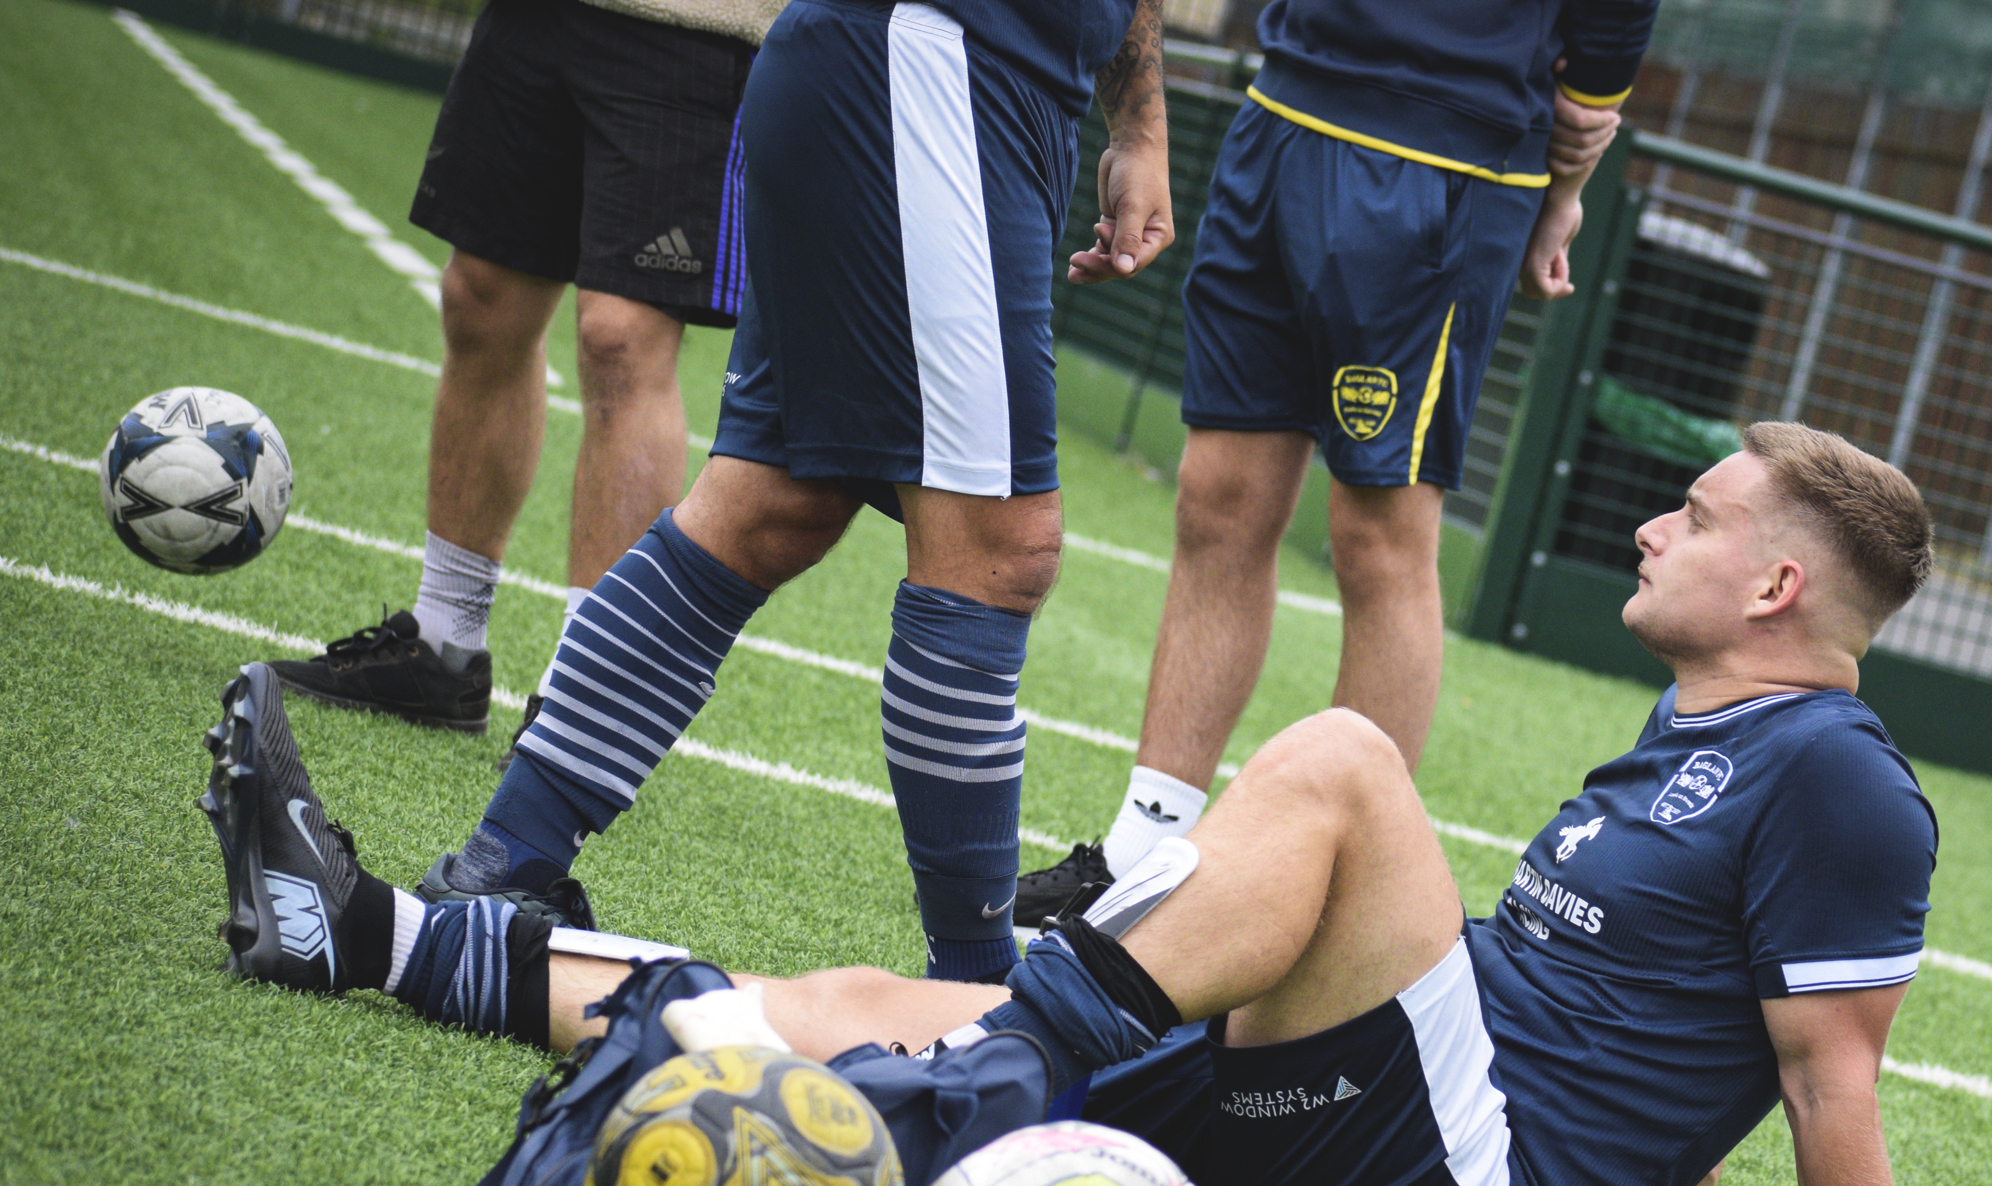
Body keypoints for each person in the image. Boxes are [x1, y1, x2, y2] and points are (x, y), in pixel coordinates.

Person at [199, 424, 1992, 1186]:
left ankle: (1030, 1049)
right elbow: (1712, 1041)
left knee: (1339, 760)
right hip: (1394, 1096)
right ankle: (360, 932)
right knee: (860, 1010)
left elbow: (1827, 1071)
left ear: (1774, 587)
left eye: (1702, 513)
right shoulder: (1700, 735)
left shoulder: (1842, 780)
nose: (1658, 521)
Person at [362, 0, 1175, 985]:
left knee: (772, 503)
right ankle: (980, 998)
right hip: (932, 61)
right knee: (1000, 552)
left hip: (954, 78)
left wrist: (1137, 124)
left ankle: (506, 860)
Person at [1014, 0, 1658, 923]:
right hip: (1281, 111)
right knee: (1218, 498)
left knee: (1380, 537)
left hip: (1446, 153)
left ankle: (1327, 906)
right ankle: (1140, 858)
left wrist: (1564, 180)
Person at [269, 0, 786, 742]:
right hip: (535, 17)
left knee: (621, 340)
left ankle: (587, 691)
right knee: (480, 299)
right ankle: (443, 646)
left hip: (698, 29)